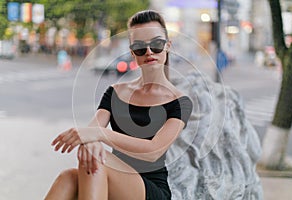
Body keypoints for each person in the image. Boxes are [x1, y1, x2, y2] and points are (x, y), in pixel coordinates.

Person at [45, 10, 193, 200]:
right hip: (108, 174)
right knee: (68, 177)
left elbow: (154, 151)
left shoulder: (180, 102)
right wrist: (90, 138)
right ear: (132, 53)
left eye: (156, 44)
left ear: (167, 46)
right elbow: (91, 132)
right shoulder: (116, 92)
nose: (149, 52)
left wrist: (100, 135)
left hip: (149, 188)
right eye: (140, 47)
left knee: (97, 161)